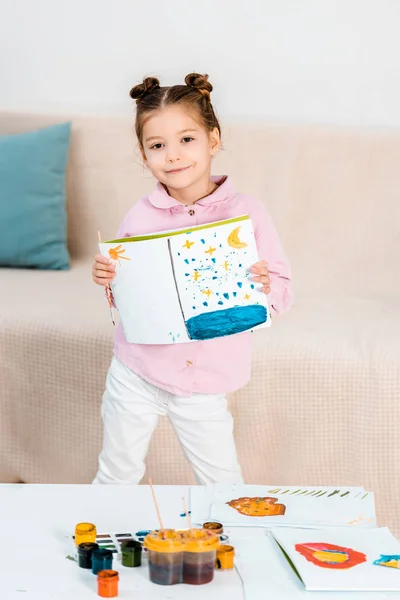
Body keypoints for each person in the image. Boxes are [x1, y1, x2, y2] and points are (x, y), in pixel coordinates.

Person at [92, 73, 293, 485]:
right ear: (144, 155)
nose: (173, 155)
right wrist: (108, 277)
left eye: (187, 139)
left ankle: (228, 545)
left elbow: (281, 287)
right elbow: (128, 297)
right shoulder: (139, 216)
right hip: (136, 370)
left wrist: (264, 286)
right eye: (158, 145)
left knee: (222, 482)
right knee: (117, 472)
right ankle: (99, 546)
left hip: (205, 380)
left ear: (213, 141)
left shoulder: (248, 213)